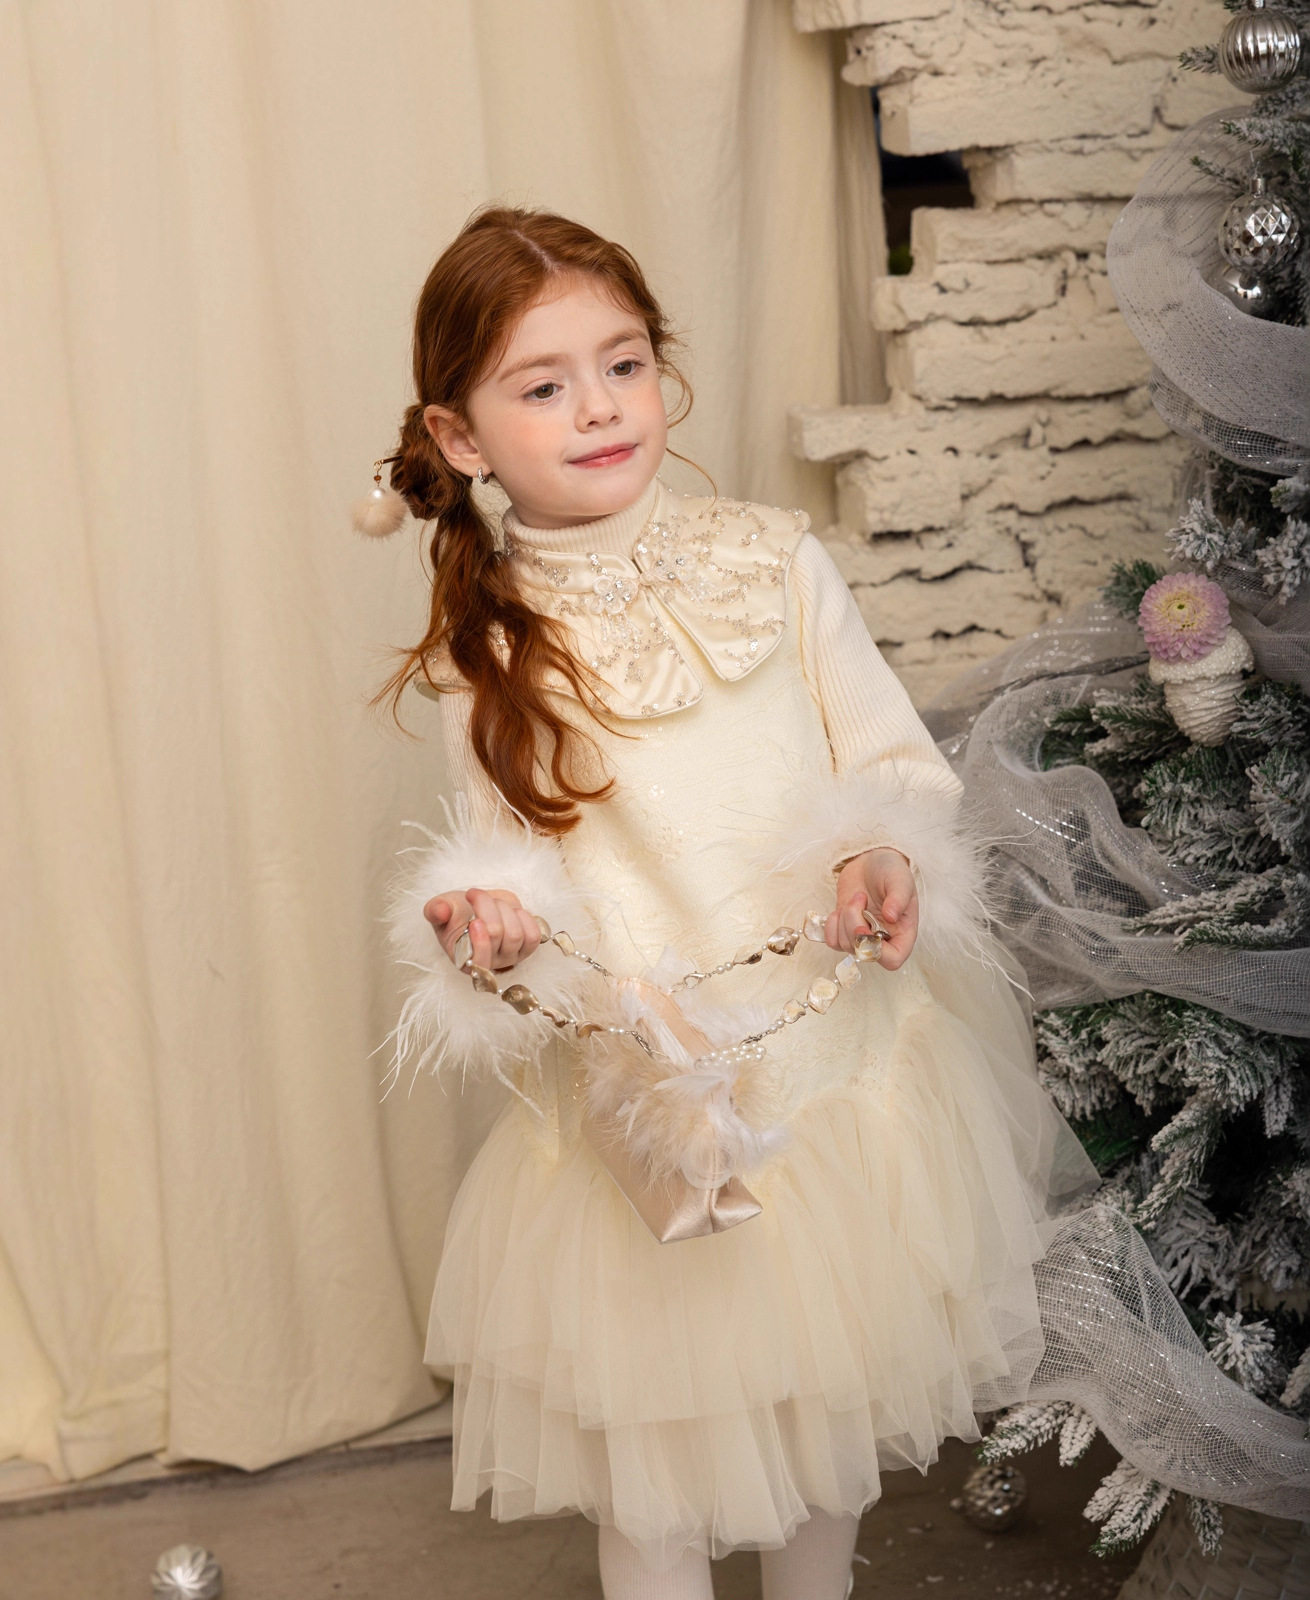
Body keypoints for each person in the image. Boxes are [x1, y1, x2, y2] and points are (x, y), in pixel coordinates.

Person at [368, 206, 1094, 1600]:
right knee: (660, 1467)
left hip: (831, 1077)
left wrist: (880, 855)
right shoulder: (490, 641)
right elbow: (500, 864)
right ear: (461, 438)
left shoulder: (773, 558)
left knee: (822, 1422)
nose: (599, 407)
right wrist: (491, 922)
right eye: (543, 386)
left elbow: (884, 757)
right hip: (655, 1107)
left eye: (623, 364)